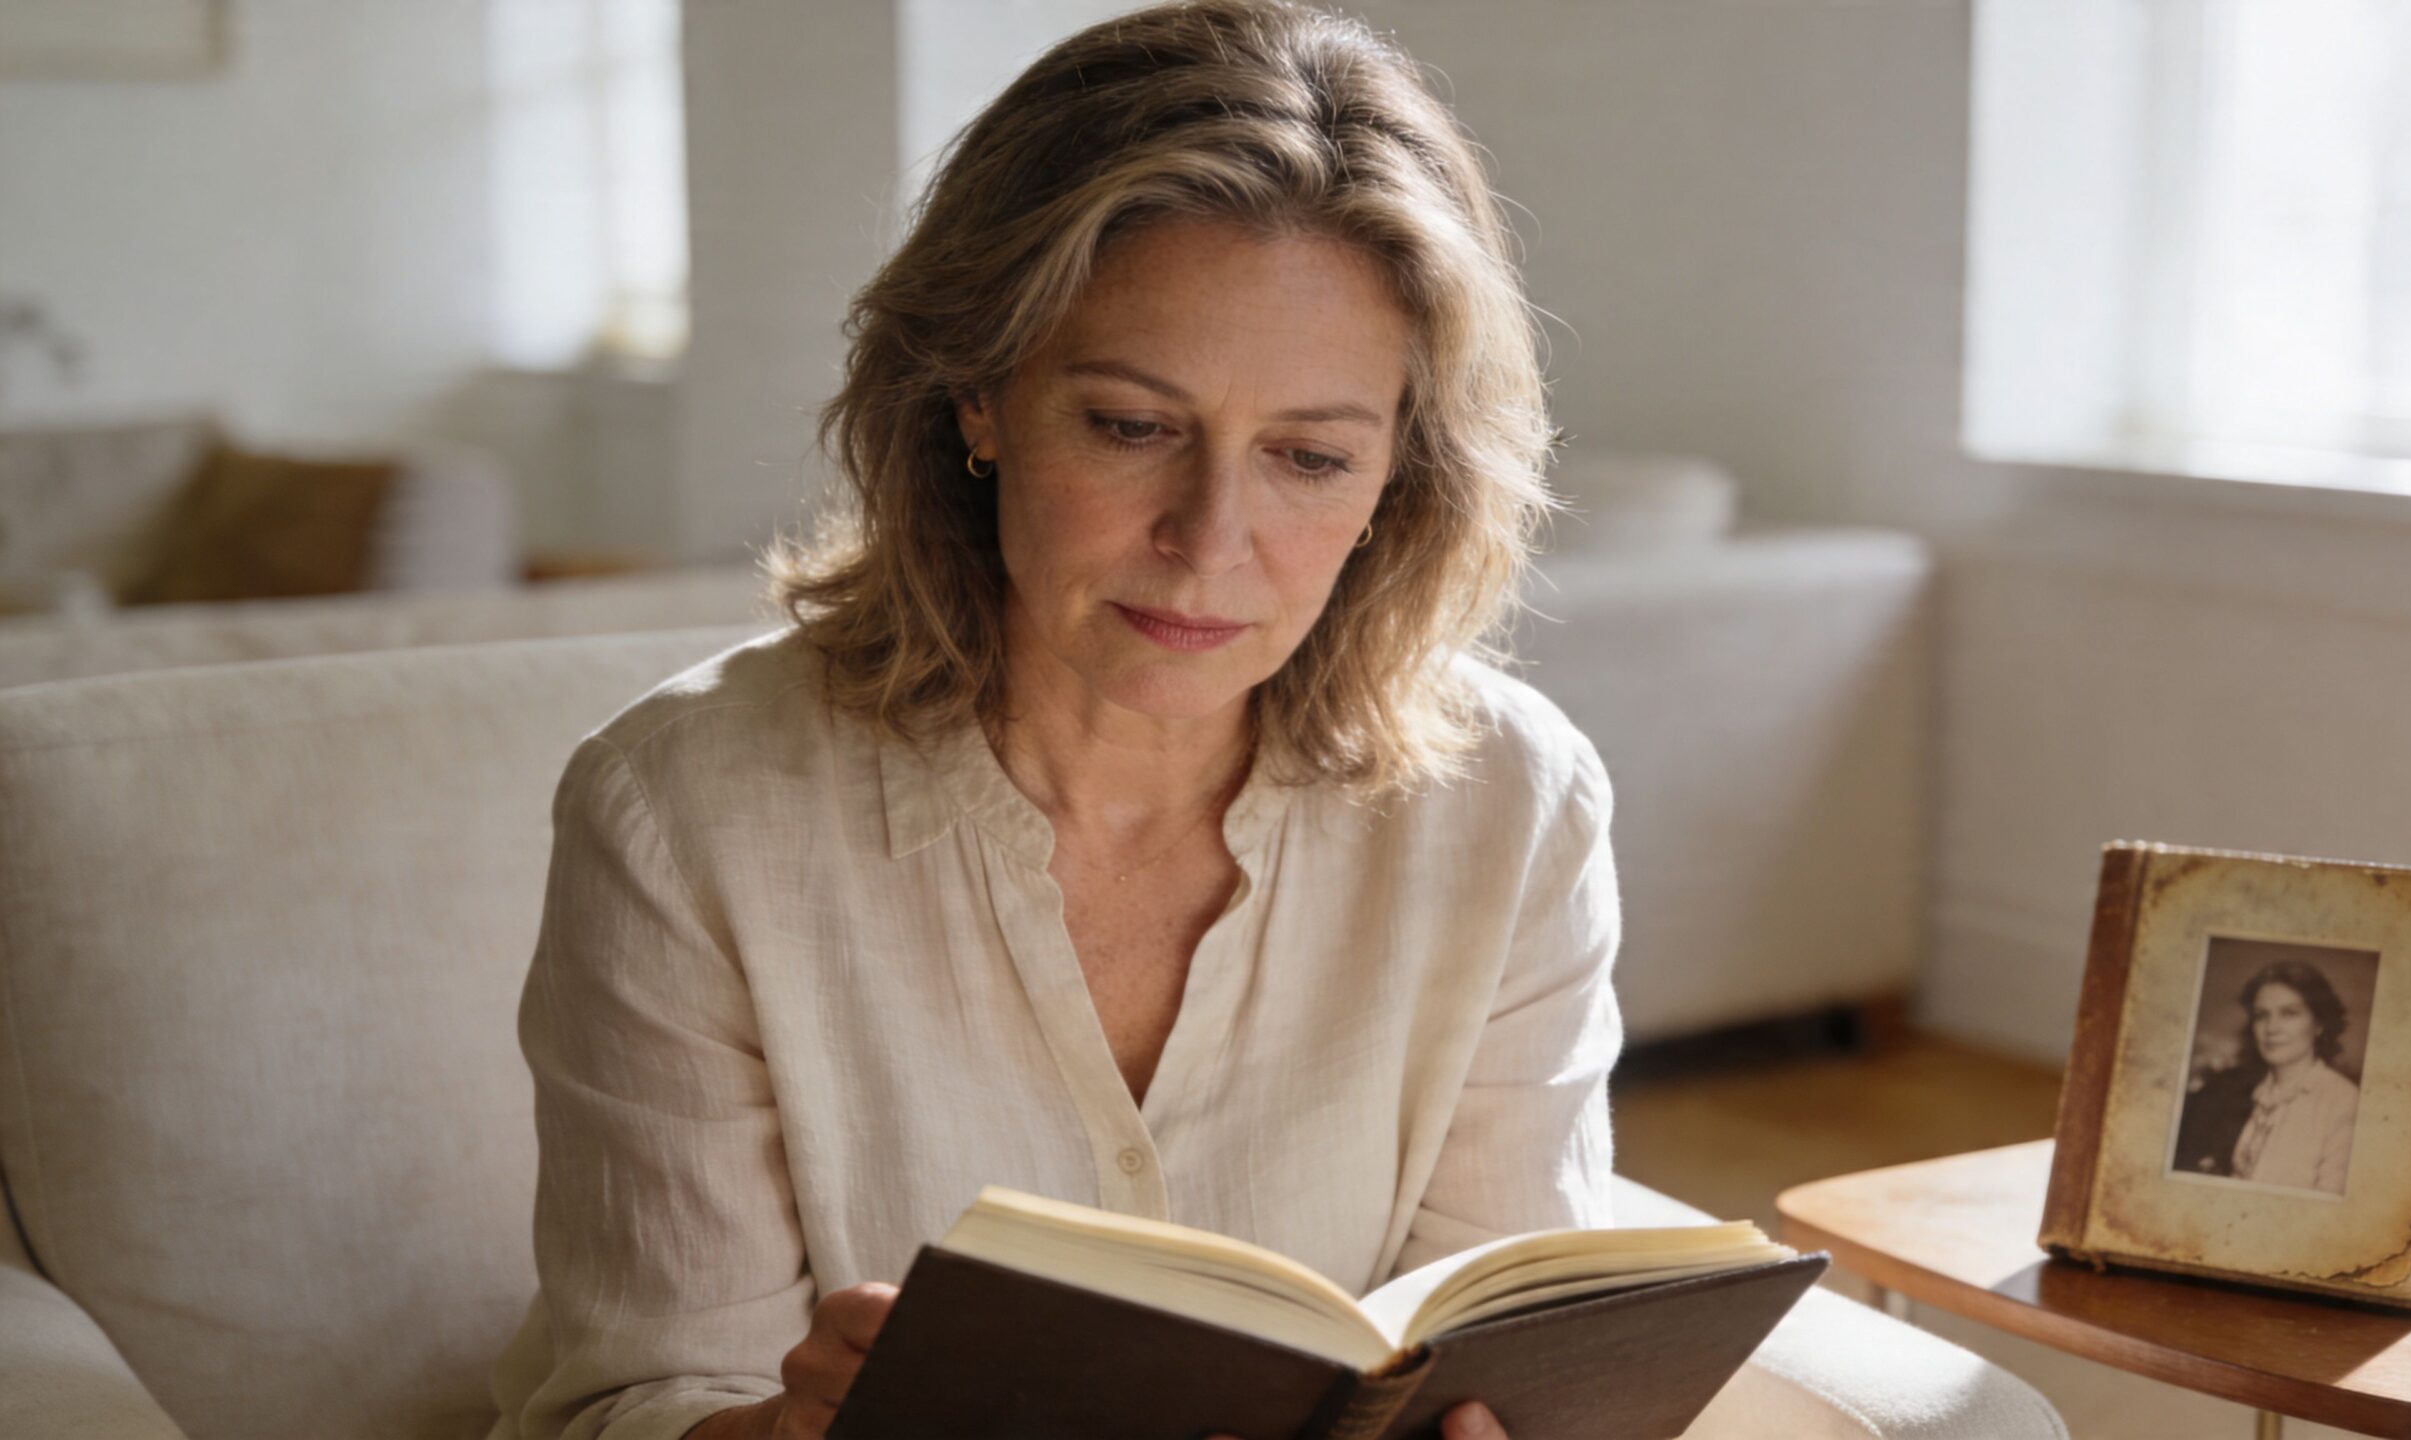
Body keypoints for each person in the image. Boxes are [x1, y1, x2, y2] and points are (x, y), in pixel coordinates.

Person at [483, 4, 1616, 1438]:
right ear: (977, 395)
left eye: (1311, 458)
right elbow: (633, 1401)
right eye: (1133, 427)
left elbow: (1499, 1343)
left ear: (1401, 475)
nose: (1211, 543)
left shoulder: (1516, 807)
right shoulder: (684, 813)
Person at [2180, 961, 2360, 1194]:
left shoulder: (2343, 1101)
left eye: (2289, 1013)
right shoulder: (2244, 1093)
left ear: (2319, 1024)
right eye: (2261, 1015)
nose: (2271, 1028)